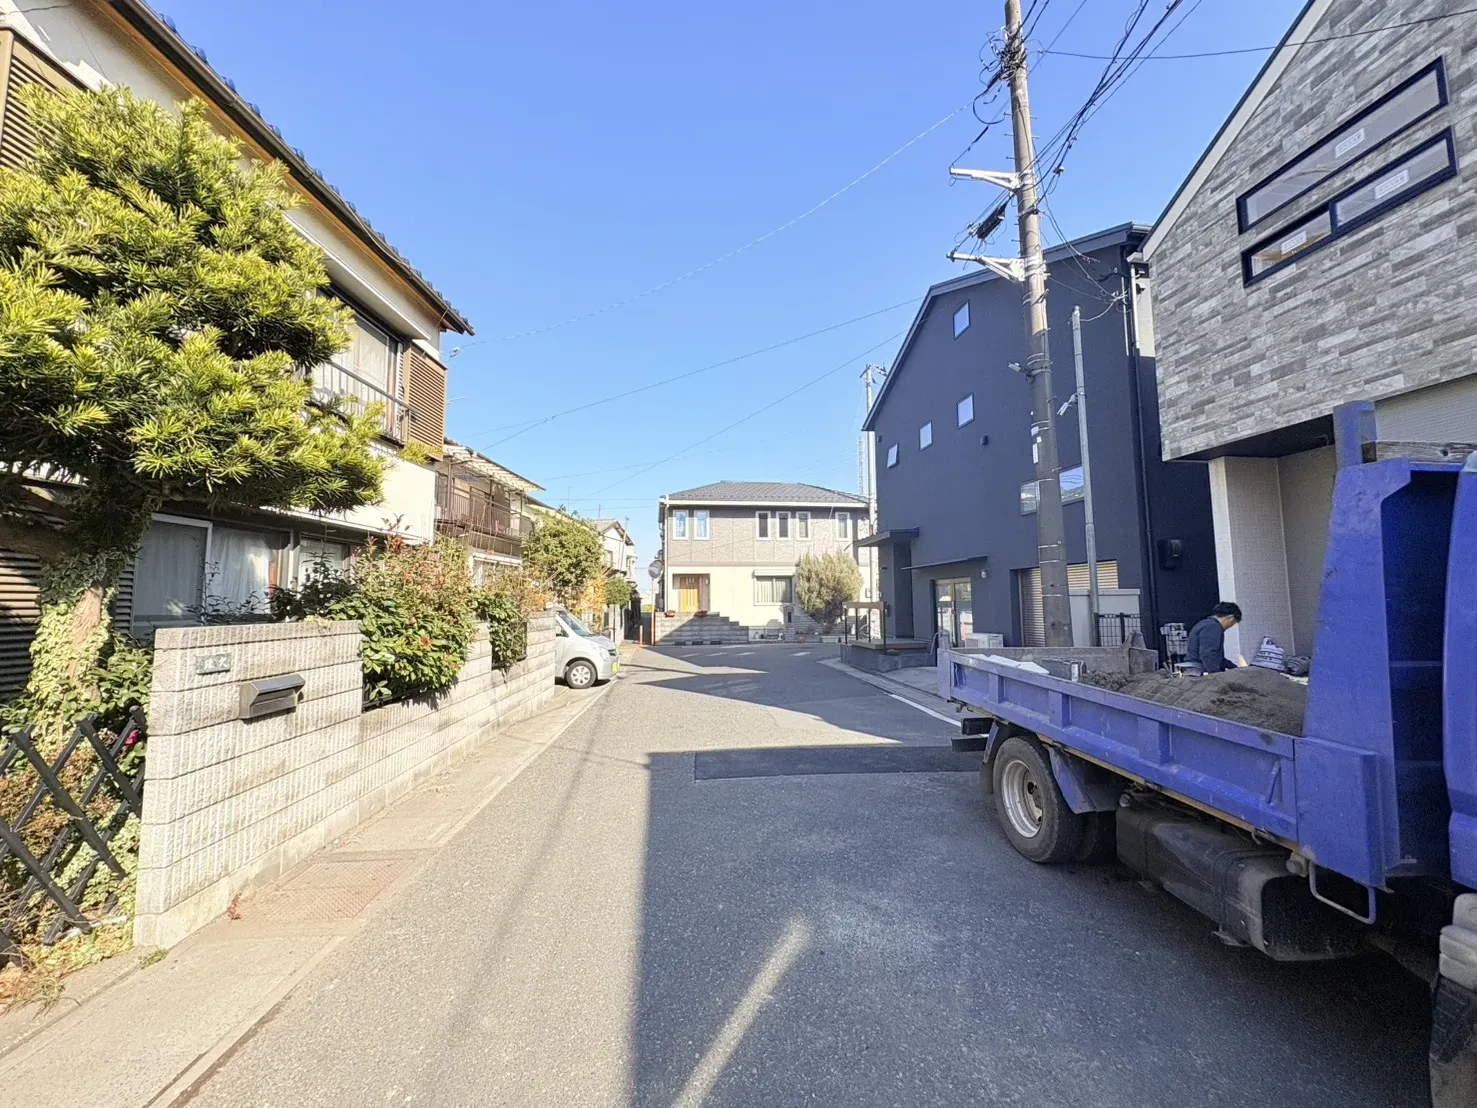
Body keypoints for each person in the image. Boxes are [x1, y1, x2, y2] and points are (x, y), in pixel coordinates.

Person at [1183, 602, 1243, 675]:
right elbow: (1208, 654)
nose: (1230, 627)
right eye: (1233, 623)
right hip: (1200, 673)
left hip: (1195, 670)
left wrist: (1235, 668)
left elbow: (1218, 658)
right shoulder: (1212, 627)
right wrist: (1216, 675)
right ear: (1231, 618)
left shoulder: (1205, 624)